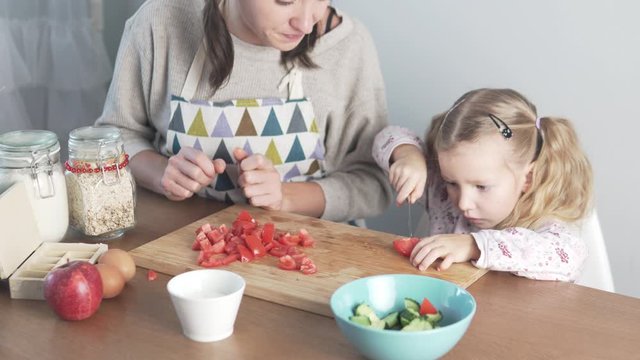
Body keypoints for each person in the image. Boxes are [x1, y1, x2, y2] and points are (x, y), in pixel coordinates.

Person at [96, 0, 392, 223]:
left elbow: (373, 181)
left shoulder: (347, 46)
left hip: (314, 260)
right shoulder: (160, 21)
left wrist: (285, 198)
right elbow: (114, 136)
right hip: (178, 248)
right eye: (285, 0)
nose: (305, 23)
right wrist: (162, 172)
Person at [372, 88, 593, 281]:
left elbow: (569, 255)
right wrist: (409, 157)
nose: (463, 203)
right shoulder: (440, 193)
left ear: (527, 177)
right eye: (452, 182)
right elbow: (387, 136)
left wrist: (472, 245)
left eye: (481, 187)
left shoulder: (541, 220)